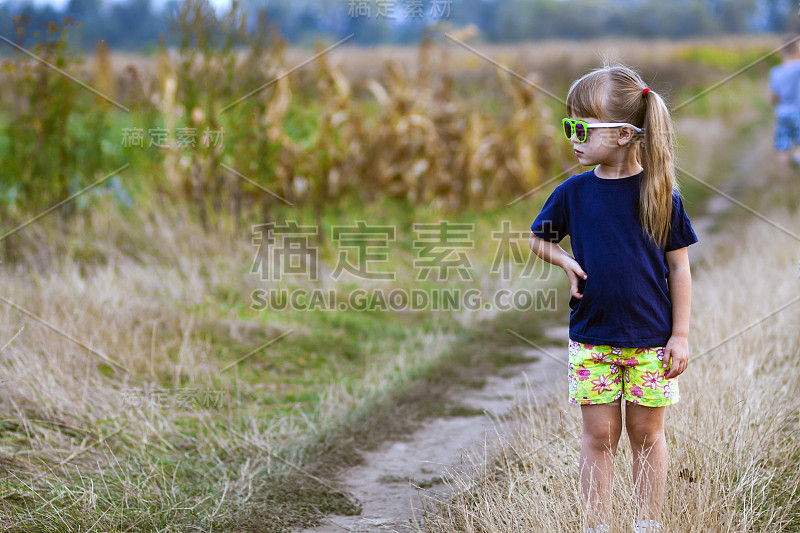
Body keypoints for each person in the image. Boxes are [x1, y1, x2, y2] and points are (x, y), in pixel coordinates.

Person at [528, 64, 698, 533]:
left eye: (581, 127)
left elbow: (679, 267)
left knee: (647, 435)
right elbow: (538, 239)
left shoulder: (661, 194)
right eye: (569, 126)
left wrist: (680, 336)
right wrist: (563, 261)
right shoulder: (573, 193)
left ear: (624, 134)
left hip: (650, 342)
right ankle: (595, 525)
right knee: (599, 437)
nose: (573, 137)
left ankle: (647, 523)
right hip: (592, 340)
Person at [769, 34, 800, 168]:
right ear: (796, 50)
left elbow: (773, 98)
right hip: (798, 112)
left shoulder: (776, 72)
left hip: (782, 113)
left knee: (783, 148)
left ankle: (782, 176)